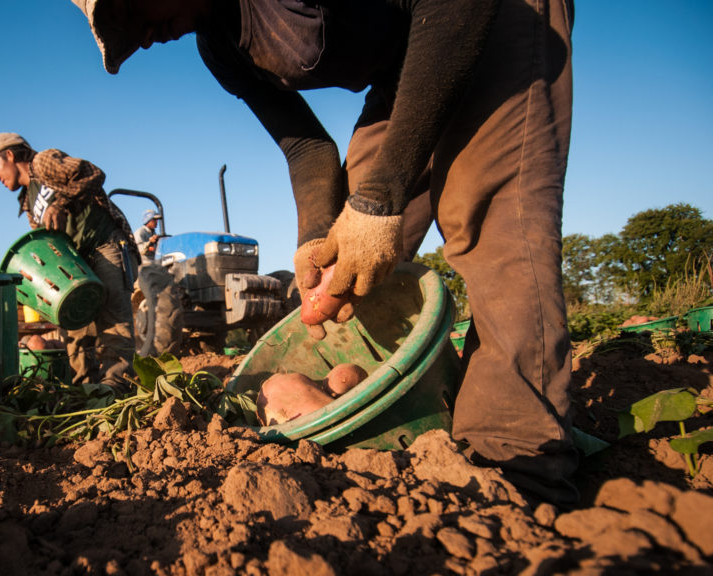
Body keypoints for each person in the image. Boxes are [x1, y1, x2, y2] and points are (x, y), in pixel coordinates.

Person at [71, 0, 578, 505]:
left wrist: (379, 200)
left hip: (490, 14)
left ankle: (518, 462)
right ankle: (401, 403)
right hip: (407, 60)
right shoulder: (221, 49)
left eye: (128, 12)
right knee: (353, 248)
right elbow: (308, 148)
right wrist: (316, 235)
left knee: (486, 214)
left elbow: (459, 8)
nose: (139, 40)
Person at [0, 132, 138, 392]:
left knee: (113, 321)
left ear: (10, 155)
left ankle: (117, 387)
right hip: (78, 264)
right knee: (74, 330)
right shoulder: (28, 202)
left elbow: (93, 174)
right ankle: (86, 392)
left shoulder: (43, 163)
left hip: (104, 244)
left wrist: (61, 204)